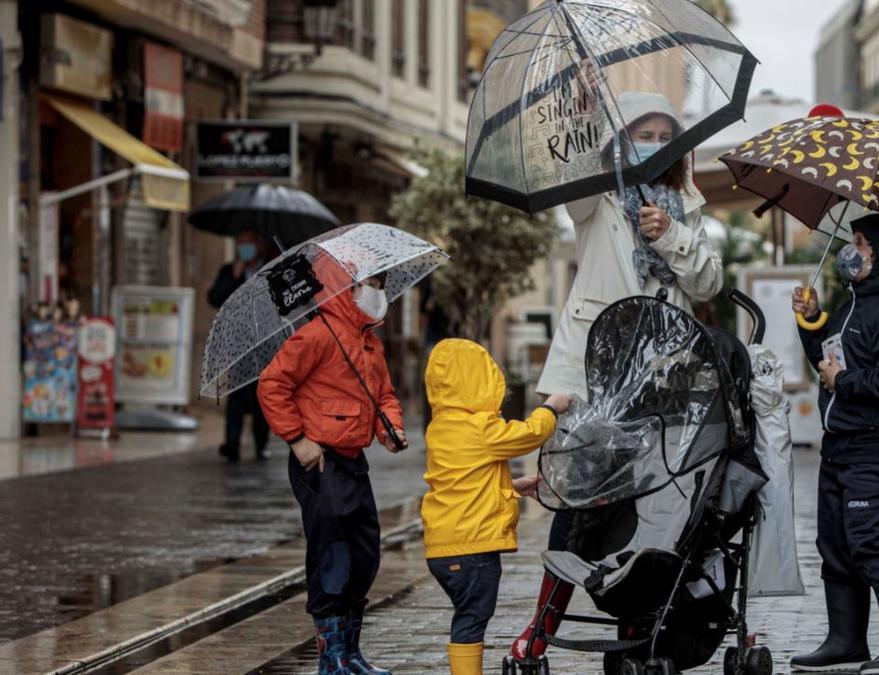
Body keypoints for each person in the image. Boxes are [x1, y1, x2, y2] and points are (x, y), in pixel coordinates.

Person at [512, 90, 724, 660]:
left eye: (663, 135)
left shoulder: (686, 206)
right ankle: (540, 630)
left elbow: (708, 285)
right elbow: (572, 176)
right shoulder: (597, 197)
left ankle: (637, 631)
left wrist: (670, 235)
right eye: (641, 132)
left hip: (660, 383)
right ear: (619, 139)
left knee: (650, 505)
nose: (653, 143)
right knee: (577, 501)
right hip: (592, 379)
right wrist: (582, 109)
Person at [788, 213, 879, 675]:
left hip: (877, 445)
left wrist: (845, 379)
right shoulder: (854, 305)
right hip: (841, 443)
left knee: (867, 540)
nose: (850, 251)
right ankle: (845, 640)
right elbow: (828, 363)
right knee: (834, 541)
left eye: (861, 243)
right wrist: (811, 324)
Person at [258, 272, 406, 675]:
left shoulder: (369, 341)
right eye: (369, 284)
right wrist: (297, 439)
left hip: (354, 460)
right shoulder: (317, 334)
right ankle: (332, 657)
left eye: (381, 284)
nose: (378, 293)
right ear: (347, 286)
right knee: (333, 555)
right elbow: (272, 385)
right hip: (320, 461)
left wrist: (389, 428)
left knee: (364, 554)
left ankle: (351, 653)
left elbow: (385, 395)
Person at [421, 338, 572, 675]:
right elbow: (529, 435)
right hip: (471, 548)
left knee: (468, 615)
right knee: (472, 618)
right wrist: (551, 408)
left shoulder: (441, 426)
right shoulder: (478, 427)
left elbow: (465, 481)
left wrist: (514, 487)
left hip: (444, 547)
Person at [209, 228, 271, 462]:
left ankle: (261, 444)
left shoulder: (268, 270)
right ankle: (232, 443)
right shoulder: (229, 270)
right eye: (240, 242)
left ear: (260, 245)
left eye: (249, 242)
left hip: (265, 342)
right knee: (235, 394)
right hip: (237, 342)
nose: (244, 247)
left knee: (262, 397)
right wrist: (234, 278)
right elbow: (214, 298)